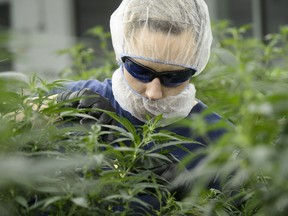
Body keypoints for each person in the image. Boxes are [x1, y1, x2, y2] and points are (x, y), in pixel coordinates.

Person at [54, 0, 230, 212]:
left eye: (175, 77)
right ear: (122, 48)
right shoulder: (81, 97)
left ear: (197, 62)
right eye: (140, 71)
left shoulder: (220, 138)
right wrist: (55, 104)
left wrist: (197, 196)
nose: (154, 93)